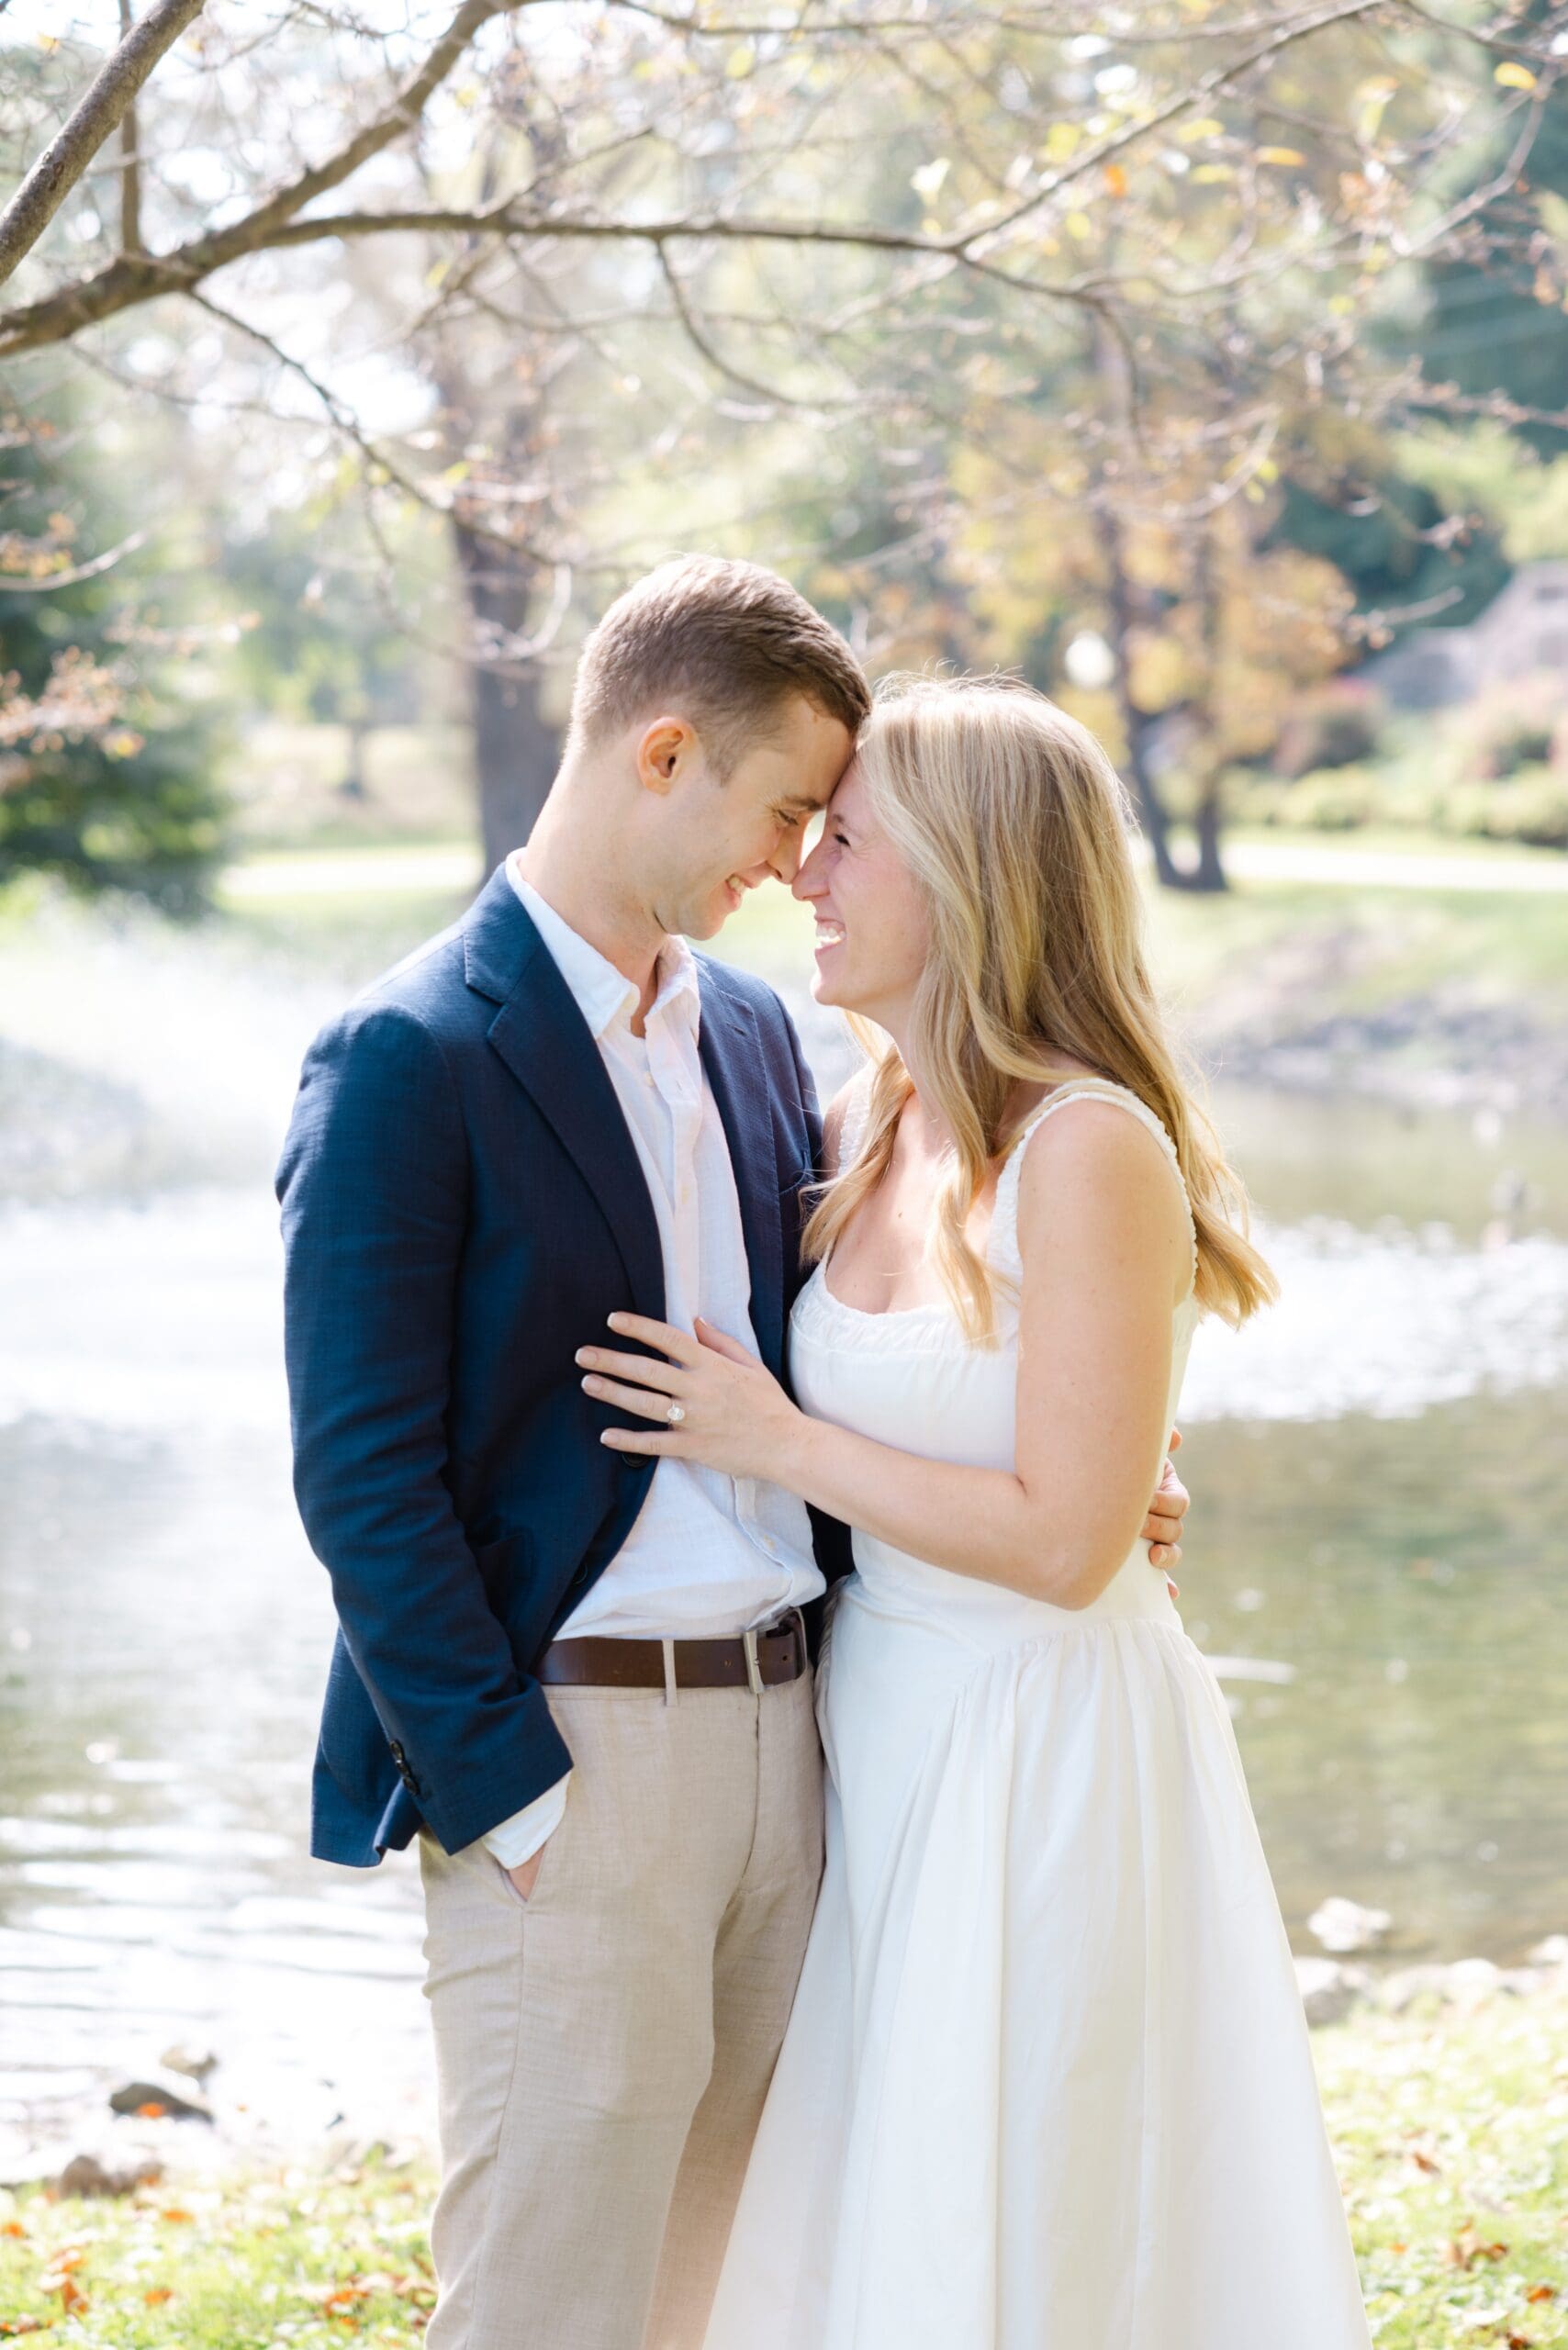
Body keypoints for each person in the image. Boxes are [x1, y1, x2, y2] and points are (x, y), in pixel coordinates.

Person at [274, 571, 1193, 2350]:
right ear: (664, 751)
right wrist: (512, 1799)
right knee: (548, 2299)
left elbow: (897, 1332)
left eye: (825, 831)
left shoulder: (768, 1041)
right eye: (784, 811)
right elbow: (360, 1479)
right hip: (578, 1760)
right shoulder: (408, 1057)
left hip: (814, 1746)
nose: (792, 864)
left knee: (737, 2288)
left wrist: (1072, 1487)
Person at [582, 675, 1372, 2350]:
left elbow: (1065, 1542)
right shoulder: (875, 1118)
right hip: (885, 1727)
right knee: (883, 2209)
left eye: (849, 840)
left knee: (1032, 2213)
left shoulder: (1086, 1145)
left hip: (1040, 1755)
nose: (806, 872)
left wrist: (772, 1436)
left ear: (968, 876)